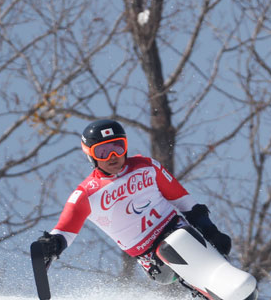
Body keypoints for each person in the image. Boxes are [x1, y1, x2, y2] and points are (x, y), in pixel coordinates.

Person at [35, 119, 232, 288]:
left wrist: (211, 230)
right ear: (91, 155)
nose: (113, 157)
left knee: (203, 248)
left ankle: (227, 291)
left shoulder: (146, 166)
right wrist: (52, 244)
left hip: (176, 228)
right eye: (103, 152)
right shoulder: (86, 193)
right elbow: (65, 230)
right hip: (149, 254)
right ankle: (209, 297)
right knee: (173, 255)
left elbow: (183, 201)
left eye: (117, 147)